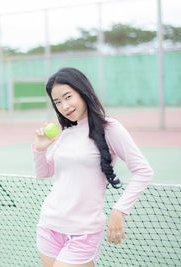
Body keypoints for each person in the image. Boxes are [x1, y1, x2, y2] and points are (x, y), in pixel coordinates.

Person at [32, 67, 153, 267]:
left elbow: (143, 171)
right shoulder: (65, 132)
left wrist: (119, 210)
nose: (64, 106)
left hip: (83, 232)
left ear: (82, 91)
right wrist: (39, 149)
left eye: (68, 96)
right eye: (58, 102)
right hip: (49, 226)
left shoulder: (110, 128)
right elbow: (43, 173)